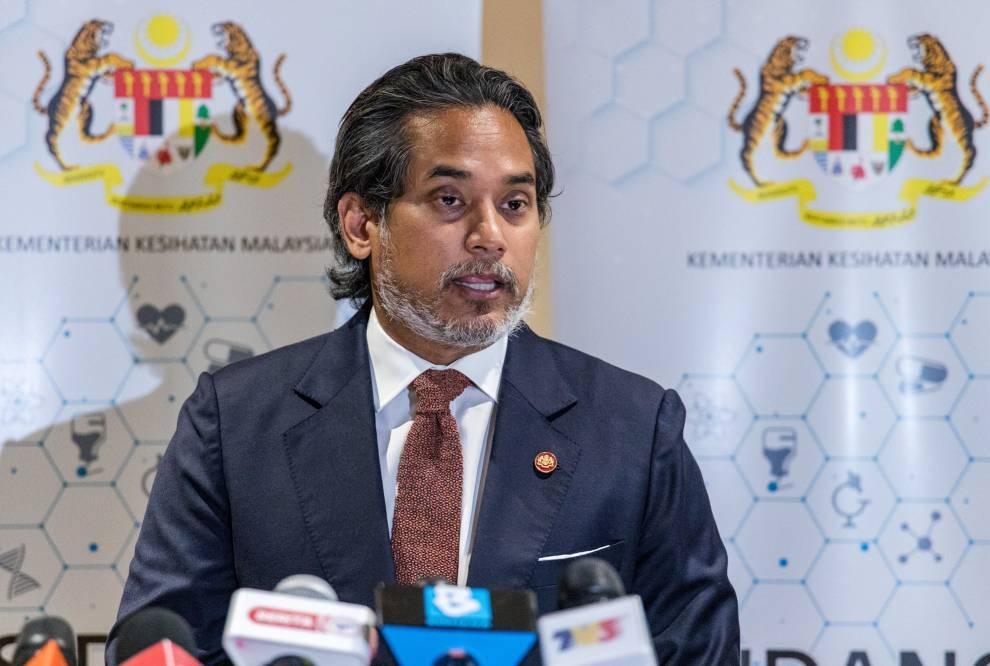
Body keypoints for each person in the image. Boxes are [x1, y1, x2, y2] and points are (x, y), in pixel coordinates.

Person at [110, 53, 739, 664]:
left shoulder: (632, 428)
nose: (490, 235)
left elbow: (699, 651)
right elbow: (165, 647)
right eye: (449, 200)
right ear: (361, 225)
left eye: (515, 205)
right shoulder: (235, 422)